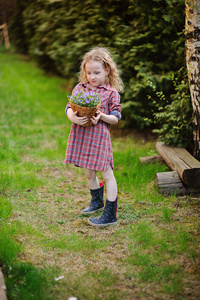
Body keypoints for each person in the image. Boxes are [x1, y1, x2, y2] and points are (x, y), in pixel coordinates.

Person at [64, 47, 123, 227]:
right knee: (89, 172)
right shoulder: (80, 88)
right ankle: (96, 201)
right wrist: (72, 116)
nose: (92, 77)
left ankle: (110, 213)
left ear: (107, 70)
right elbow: (68, 107)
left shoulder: (111, 93)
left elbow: (116, 118)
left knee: (107, 173)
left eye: (97, 72)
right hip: (83, 137)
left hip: (99, 140)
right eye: (89, 72)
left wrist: (102, 116)